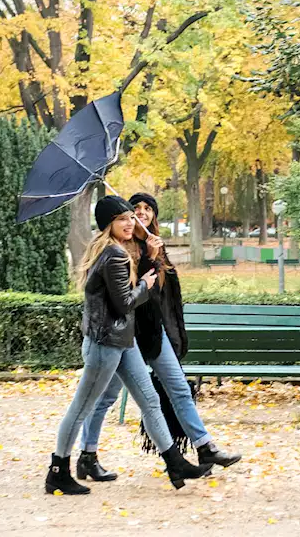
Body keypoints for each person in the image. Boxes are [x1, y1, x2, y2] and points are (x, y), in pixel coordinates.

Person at [45, 195, 212, 496]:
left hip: (124, 340)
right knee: (82, 407)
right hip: (106, 344)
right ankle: (58, 470)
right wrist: (145, 286)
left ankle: (175, 462)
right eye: (122, 219)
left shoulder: (113, 252)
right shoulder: (114, 255)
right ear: (109, 224)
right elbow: (124, 304)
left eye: (130, 218)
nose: (130, 222)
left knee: (149, 399)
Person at [74, 192, 241, 483]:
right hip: (124, 335)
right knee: (105, 398)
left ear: (153, 214)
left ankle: (205, 446)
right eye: (133, 209)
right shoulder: (117, 247)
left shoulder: (153, 244)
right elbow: (130, 295)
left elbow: (166, 298)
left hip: (152, 331)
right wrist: (150, 259)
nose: (140, 214)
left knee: (178, 387)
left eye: (146, 209)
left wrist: (155, 257)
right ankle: (87, 455)